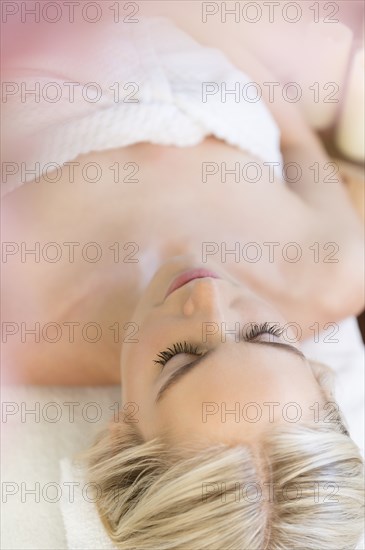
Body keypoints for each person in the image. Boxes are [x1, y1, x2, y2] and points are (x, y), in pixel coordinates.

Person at [2, 11, 364, 550]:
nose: (210, 295)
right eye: (265, 336)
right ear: (316, 377)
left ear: (119, 438)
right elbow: (298, 144)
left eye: (181, 358)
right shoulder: (333, 270)